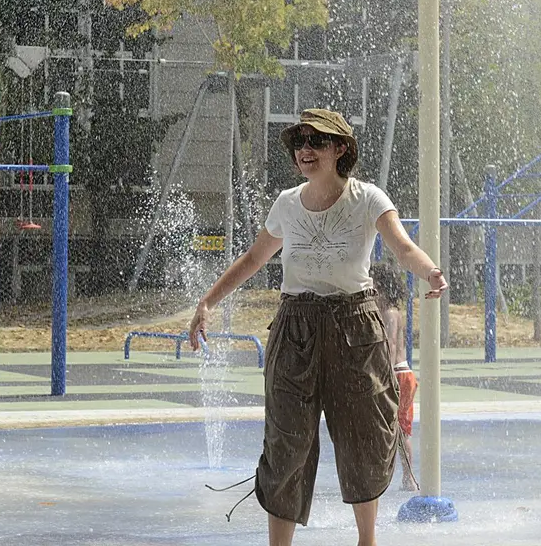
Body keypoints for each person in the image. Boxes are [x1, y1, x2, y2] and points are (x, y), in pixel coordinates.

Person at [188, 108, 447, 546]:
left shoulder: (368, 199)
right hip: (296, 329)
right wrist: (207, 301)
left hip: (355, 327)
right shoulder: (287, 204)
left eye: (315, 142)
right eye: (299, 143)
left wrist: (431, 272)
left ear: (340, 148)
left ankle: (368, 540)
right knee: (287, 443)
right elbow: (254, 260)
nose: (304, 151)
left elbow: (401, 246)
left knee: (364, 437)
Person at [368, 258, 420, 492]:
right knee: (388, 428)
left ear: (381, 287)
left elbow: (388, 346)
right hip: (395, 374)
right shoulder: (383, 311)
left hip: (398, 375)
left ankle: (408, 477)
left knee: (400, 430)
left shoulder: (390, 313)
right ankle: (387, 475)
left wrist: (382, 378)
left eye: (372, 287)